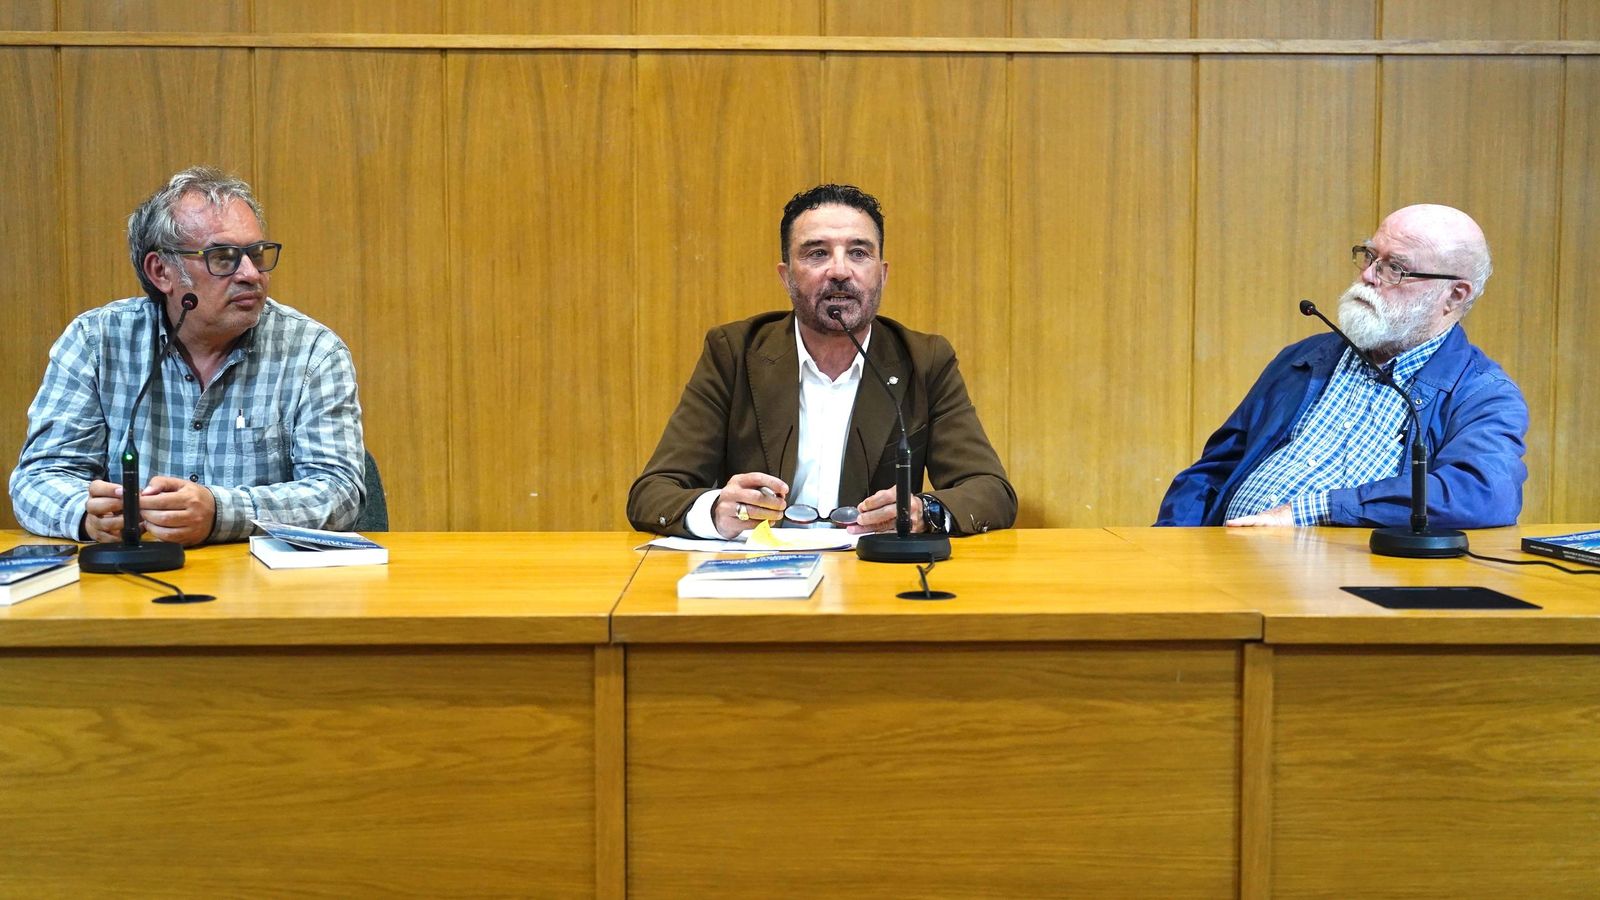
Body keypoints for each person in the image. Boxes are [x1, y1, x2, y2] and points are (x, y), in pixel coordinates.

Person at [628, 184, 1016, 540]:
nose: (840, 271)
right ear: (786, 277)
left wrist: (923, 511)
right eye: (817, 253)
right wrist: (715, 510)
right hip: (760, 584)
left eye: (859, 253)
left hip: (874, 582)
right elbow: (654, 492)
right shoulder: (734, 352)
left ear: (881, 275)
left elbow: (990, 491)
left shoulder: (924, 360)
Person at [9, 166, 365, 546]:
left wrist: (221, 512)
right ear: (161, 271)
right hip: (130, 587)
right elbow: (38, 477)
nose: (251, 274)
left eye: (257, 254)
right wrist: (85, 514)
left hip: (258, 588)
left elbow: (340, 492)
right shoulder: (96, 342)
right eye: (223, 257)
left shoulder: (312, 352)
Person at [1157, 203, 1527, 528]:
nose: (1368, 276)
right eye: (1370, 257)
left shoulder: (1482, 392)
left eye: (1395, 268)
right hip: (1227, 557)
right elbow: (1215, 471)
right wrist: (1172, 549)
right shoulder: (1305, 359)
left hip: (1344, 579)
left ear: (1454, 295)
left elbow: (1484, 492)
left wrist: (1316, 510)